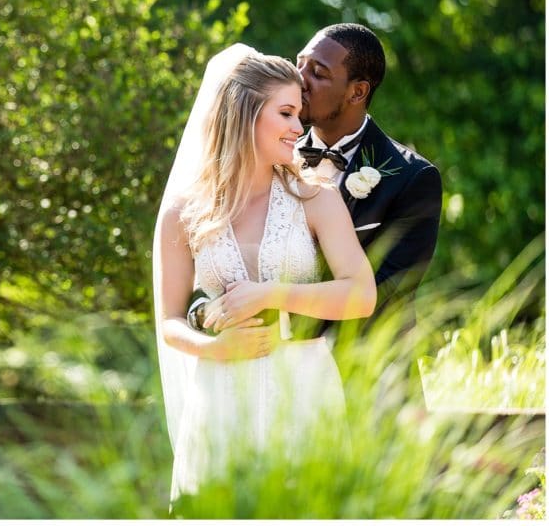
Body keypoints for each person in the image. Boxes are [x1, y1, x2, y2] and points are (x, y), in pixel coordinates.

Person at [152, 44, 377, 512]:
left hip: (303, 386)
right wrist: (215, 349)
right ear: (244, 113)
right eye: (287, 113)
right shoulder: (182, 213)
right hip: (220, 395)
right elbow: (170, 321)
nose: (300, 127)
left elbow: (361, 294)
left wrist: (270, 294)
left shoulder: (316, 199)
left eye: (300, 113)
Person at [189, 24, 442, 338]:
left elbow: (387, 292)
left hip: (366, 374)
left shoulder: (412, 178)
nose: (299, 80)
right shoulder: (267, 153)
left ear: (357, 92)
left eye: (318, 73)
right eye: (300, 64)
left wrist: (269, 313)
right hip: (258, 360)